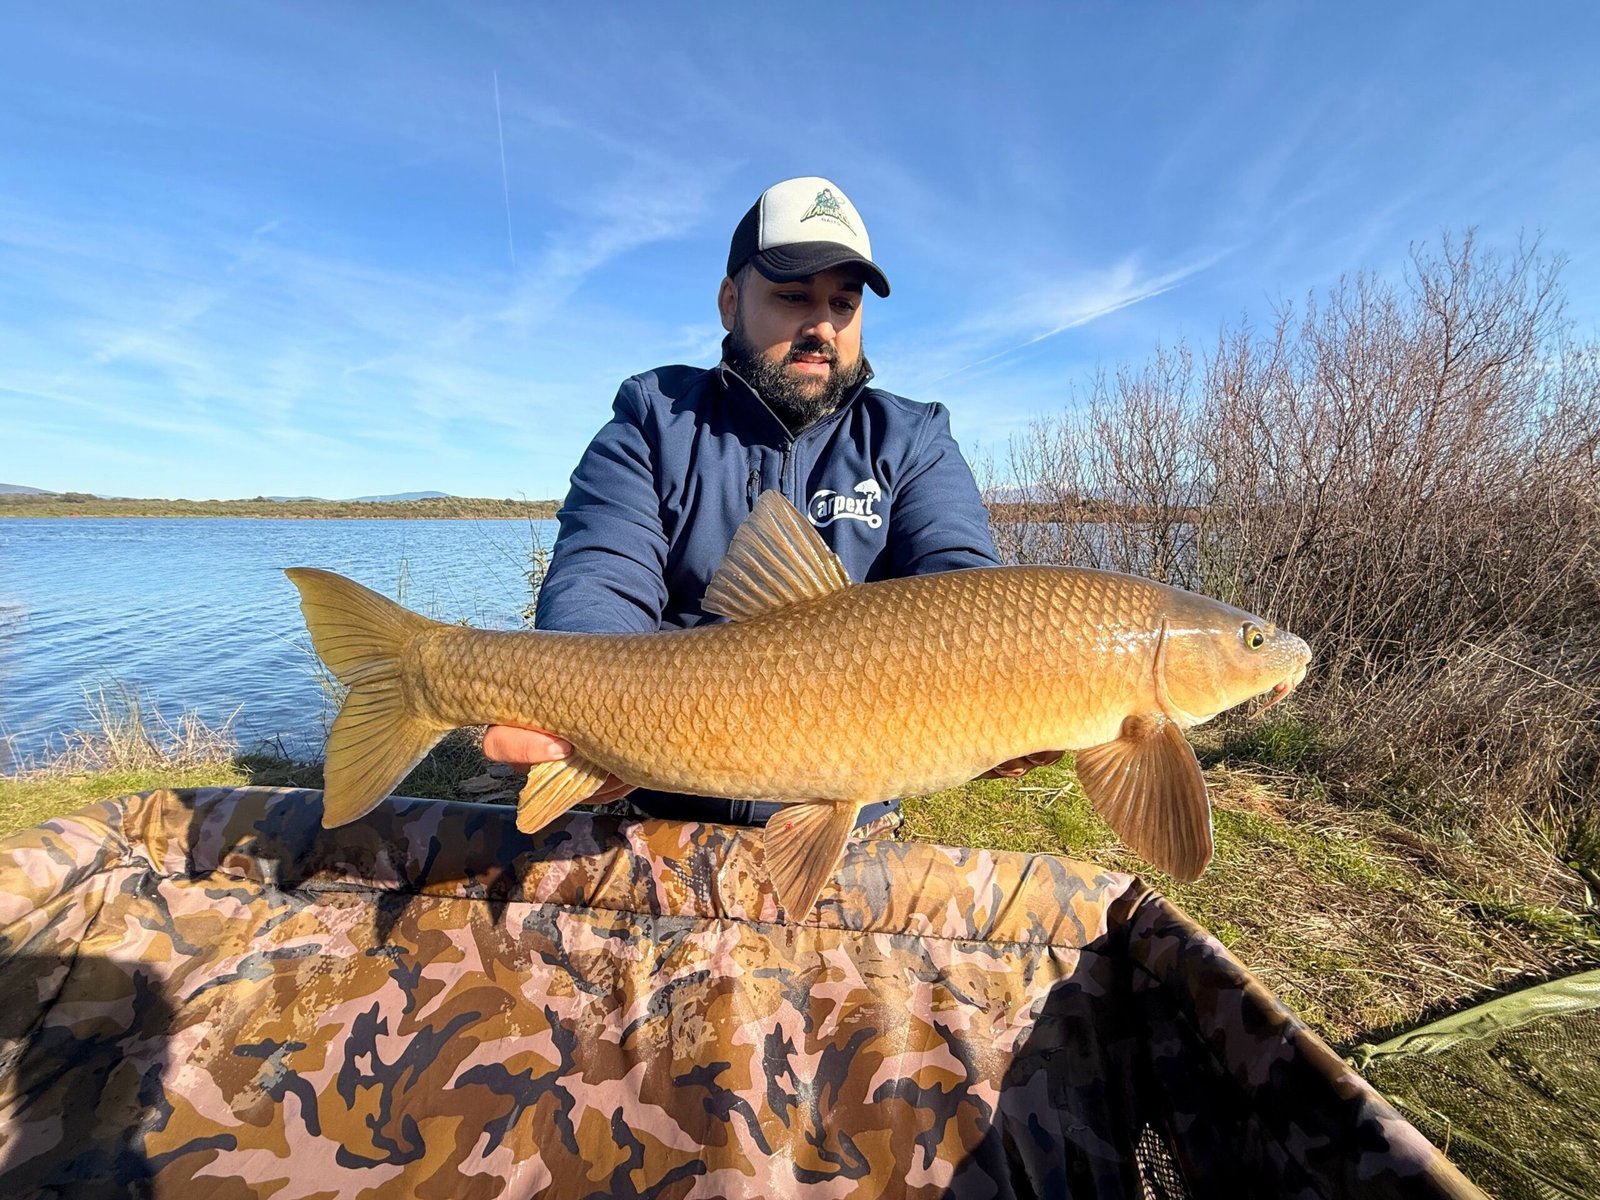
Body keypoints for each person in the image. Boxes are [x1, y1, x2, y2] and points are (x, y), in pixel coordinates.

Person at [483, 176, 1059, 825]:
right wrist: (593, 727)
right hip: (653, 809)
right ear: (730, 301)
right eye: (793, 296)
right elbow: (602, 580)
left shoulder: (912, 439)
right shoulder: (655, 421)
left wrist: (1012, 696)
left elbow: (967, 592)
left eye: (843, 303)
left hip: (852, 821)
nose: (822, 326)